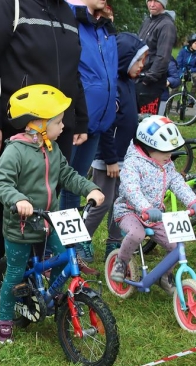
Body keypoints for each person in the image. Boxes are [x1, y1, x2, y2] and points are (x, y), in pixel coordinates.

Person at [0, 0, 87, 313]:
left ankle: (28, 281)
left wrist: (78, 121)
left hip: (55, 130)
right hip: (7, 128)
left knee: (43, 206)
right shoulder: (8, 5)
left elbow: (73, 74)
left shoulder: (66, 13)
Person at [0, 84, 104, 344]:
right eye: (58, 122)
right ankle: (5, 320)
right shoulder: (15, 151)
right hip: (20, 226)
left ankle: (52, 295)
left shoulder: (51, 149)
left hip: (49, 222)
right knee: (15, 273)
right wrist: (18, 199)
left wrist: (90, 188)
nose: (63, 127)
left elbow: (67, 175)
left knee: (65, 256)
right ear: (39, 124)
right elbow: (1, 184)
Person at [109, 116, 196, 282]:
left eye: (170, 151)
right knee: (136, 234)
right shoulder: (133, 164)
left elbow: (177, 182)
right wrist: (145, 208)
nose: (169, 156)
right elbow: (131, 190)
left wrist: (193, 201)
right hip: (129, 211)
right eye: (164, 151)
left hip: (155, 215)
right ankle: (121, 262)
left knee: (176, 246)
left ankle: (164, 275)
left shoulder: (167, 164)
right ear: (148, 147)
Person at [60, 0, 117, 267]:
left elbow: (108, 73)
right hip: (74, 119)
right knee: (65, 183)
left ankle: (68, 247)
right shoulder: (70, 17)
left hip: (98, 121)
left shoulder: (105, 28)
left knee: (75, 182)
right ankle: (60, 248)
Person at [85, 33, 149, 259]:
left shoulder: (130, 84)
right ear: (125, 58)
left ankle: (114, 242)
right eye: (139, 60)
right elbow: (105, 126)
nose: (142, 66)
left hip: (126, 157)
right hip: (108, 158)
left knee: (122, 202)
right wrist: (110, 159)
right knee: (103, 201)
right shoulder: (114, 86)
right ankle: (83, 239)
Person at [136, 0, 176, 115]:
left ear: (163, 4)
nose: (152, 4)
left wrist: (148, 79)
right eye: (149, 1)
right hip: (139, 78)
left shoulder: (166, 25)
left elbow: (163, 57)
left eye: (156, 1)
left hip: (151, 84)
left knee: (147, 123)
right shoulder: (147, 21)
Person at [174, 34, 196, 98]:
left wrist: (191, 70)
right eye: (195, 43)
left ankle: (192, 98)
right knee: (174, 87)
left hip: (190, 72)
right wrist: (181, 73)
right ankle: (168, 105)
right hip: (180, 72)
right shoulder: (183, 51)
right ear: (191, 43)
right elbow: (178, 64)